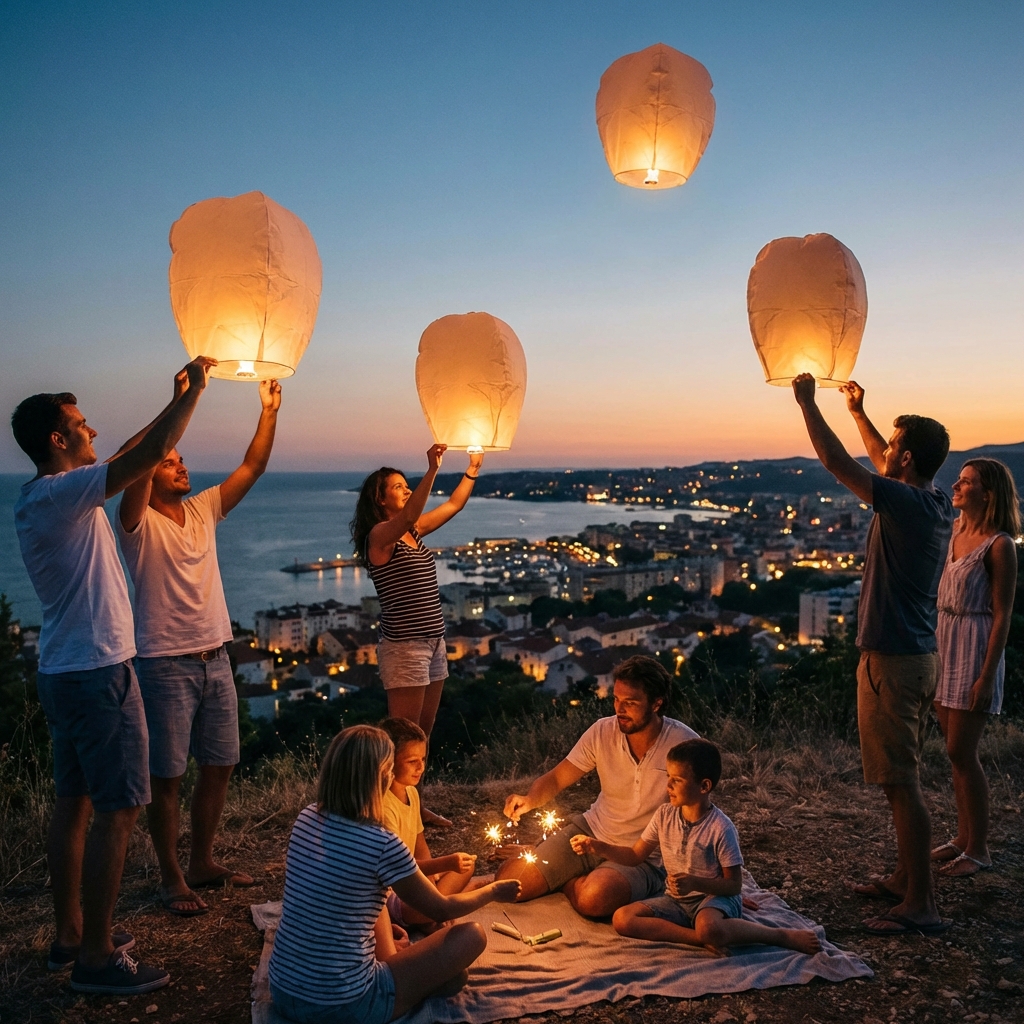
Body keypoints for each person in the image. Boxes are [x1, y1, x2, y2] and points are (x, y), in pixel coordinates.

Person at [11, 356, 215, 994]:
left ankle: (69, 934)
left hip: (63, 670)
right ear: (56, 439)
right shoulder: (62, 491)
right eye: (80, 424)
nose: (91, 430)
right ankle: (97, 959)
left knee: (72, 806)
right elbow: (145, 455)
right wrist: (195, 395)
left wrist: (170, 396)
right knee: (122, 807)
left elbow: (131, 449)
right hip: (100, 672)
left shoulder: (41, 497)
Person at [792, 374, 953, 936]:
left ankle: (922, 905)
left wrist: (809, 405)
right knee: (898, 779)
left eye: (892, 441)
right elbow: (881, 456)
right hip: (913, 656)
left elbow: (841, 463)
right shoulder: (930, 501)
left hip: (893, 660)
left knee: (902, 785)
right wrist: (862, 411)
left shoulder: (905, 504)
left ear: (905, 458)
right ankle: (905, 880)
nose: (884, 448)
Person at [115, 378, 283, 916]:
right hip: (164, 663)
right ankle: (170, 878)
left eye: (182, 459)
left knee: (219, 764)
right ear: (149, 471)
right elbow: (138, 459)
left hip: (216, 656)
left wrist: (268, 411)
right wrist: (177, 404)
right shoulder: (135, 522)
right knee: (167, 778)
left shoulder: (205, 509)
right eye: (169, 461)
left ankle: (203, 862)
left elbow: (252, 468)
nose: (181, 466)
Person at [268, 725, 520, 1024]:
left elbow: (345, 896)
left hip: (283, 990)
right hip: (345, 1004)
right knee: (471, 938)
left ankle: (411, 975)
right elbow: (441, 908)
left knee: (451, 976)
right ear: (381, 775)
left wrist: (380, 940)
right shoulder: (380, 842)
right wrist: (493, 891)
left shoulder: (307, 817)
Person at [571, 739, 821, 955]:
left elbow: (733, 885)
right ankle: (699, 939)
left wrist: (694, 883)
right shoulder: (664, 815)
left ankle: (780, 936)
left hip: (715, 899)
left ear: (704, 787)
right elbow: (636, 855)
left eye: (676, 780)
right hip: (677, 900)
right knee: (622, 919)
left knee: (709, 926)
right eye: (667, 777)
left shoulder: (721, 828)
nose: (667, 785)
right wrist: (597, 846)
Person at [497, 655, 698, 918]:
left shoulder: (684, 744)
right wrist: (529, 799)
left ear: (657, 703)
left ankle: (568, 882)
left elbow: (700, 815)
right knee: (509, 887)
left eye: (630, 703)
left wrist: (708, 883)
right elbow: (558, 777)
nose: (619, 709)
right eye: (616, 699)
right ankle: (566, 870)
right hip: (590, 833)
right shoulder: (603, 731)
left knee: (594, 899)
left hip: (642, 856)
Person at [350, 445, 483, 739]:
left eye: (408, 486)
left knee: (423, 733)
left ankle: (413, 787)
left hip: (435, 641)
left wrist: (472, 470)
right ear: (380, 498)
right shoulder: (380, 537)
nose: (407, 491)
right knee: (404, 735)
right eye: (399, 487)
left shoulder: (413, 532)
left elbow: (453, 505)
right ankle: (389, 786)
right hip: (405, 647)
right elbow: (409, 517)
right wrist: (433, 469)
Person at [931, 459, 1020, 877]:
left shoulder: (1000, 545)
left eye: (967, 482)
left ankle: (979, 848)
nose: (957, 485)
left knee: (961, 751)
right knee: (954, 753)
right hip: (945, 641)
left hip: (975, 645)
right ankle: (963, 838)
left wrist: (987, 675)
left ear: (988, 493)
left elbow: (1002, 614)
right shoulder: (955, 530)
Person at [378, 718, 484, 931]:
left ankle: (434, 911)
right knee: (423, 904)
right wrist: (444, 865)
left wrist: (431, 888)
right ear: (388, 761)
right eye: (411, 761)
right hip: (395, 890)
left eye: (423, 759)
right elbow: (397, 867)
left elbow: (420, 845)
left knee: (466, 866)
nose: (421, 767)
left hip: (415, 876)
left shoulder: (412, 793)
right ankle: (432, 913)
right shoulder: (383, 806)